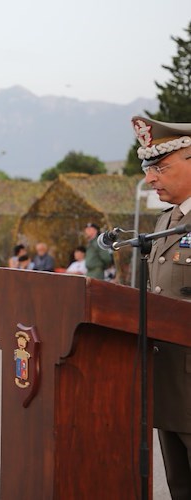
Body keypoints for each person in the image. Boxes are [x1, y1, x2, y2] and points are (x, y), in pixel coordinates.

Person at [132, 114, 191, 499]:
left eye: (160, 167)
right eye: (149, 169)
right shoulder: (166, 221)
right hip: (168, 378)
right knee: (180, 485)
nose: (151, 179)